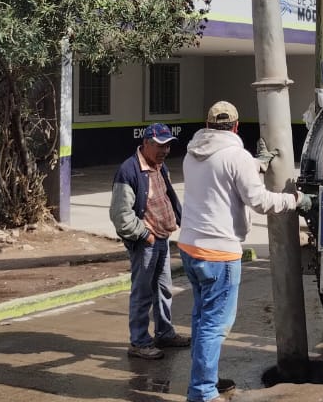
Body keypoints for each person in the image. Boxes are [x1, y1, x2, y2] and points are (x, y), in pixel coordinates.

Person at [178, 101, 312, 402]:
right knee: (215, 326)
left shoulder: (192, 152)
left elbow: (221, 171)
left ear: (209, 125)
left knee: (202, 320)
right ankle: (201, 392)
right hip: (219, 253)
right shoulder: (236, 156)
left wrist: (256, 164)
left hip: (190, 247)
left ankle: (204, 380)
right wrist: (294, 200)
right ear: (236, 126)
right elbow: (259, 201)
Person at [109, 122, 191, 360]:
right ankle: (139, 342)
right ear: (146, 143)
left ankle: (164, 333)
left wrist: (178, 218)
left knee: (164, 289)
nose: (165, 150)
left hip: (162, 238)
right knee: (142, 293)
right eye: (159, 145)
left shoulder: (159, 166)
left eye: (167, 145)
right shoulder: (129, 170)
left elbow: (165, 196)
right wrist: (144, 234)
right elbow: (120, 215)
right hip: (145, 241)